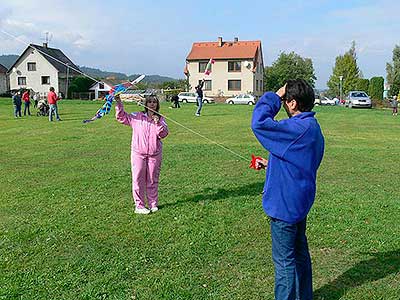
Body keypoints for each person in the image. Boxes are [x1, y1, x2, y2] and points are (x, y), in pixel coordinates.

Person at [251, 79, 325, 300]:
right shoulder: (312, 126)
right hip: (299, 202)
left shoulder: (296, 128)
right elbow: (299, 160)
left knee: (284, 263)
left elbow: (260, 123)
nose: (282, 103)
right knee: (300, 255)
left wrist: (274, 95)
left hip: (285, 206)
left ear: (292, 103)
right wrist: (271, 163)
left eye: (284, 100)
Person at [115, 94, 169, 214]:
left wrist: (158, 123)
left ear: (157, 104)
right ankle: (139, 206)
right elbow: (121, 117)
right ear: (146, 104)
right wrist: (119, 102)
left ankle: (153, 204)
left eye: (154, 102)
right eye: (149, 102)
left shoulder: (160, 119)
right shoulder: (137, 117)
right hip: (138, 153)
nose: (152, 104)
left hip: (155, 154)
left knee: (152, 179)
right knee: (138, 178)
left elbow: (163, 134)